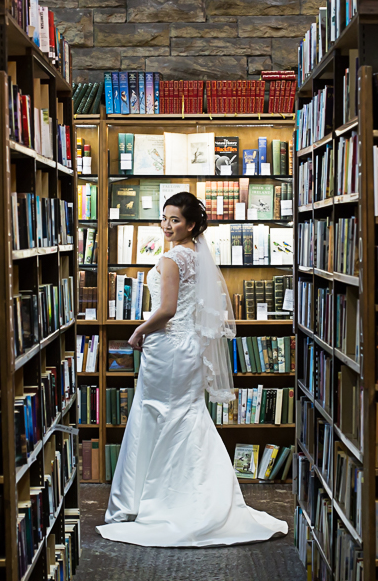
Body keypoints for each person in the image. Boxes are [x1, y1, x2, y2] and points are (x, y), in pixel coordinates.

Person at [98, 192, 288, 547]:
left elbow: (167, 310)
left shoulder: (172, 259)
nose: (167, 226)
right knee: (186, 415)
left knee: (157, 415)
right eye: (165, 218)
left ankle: (156, 502)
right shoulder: (199, 257)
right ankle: (201, 499)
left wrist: (139, 330)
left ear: (191, 224)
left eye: (175, 221)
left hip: (168, 346)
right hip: (188, 348)